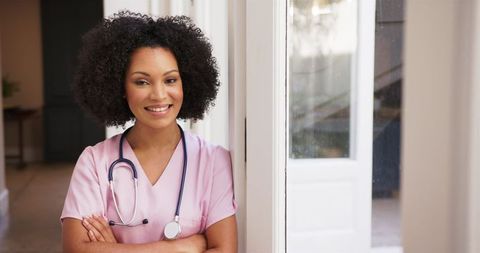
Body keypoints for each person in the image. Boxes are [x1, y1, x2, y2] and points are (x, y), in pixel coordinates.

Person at [61, 11, 237, 253]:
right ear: (121, 87)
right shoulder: (94, 161)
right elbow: (76, 250)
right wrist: (182, 248)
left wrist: (114, 249)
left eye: (170, 80)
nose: (159, 95)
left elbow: (225, 250)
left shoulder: (214, 161)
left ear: (186, 83)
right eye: (142, 81)